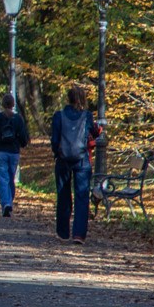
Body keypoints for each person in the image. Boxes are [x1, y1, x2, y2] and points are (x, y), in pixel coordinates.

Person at [50, 85, 95, 243]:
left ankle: (63, 232)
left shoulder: (59, 116)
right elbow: (92, 133)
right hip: (82, 159)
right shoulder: (87, 116)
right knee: (82, 195)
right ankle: (79, 234)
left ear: (68, 98)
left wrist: (57, 153)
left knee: (63, 194)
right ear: (83, 99)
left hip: (63, 160)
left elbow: (55, 140)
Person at [0, 95, 29, 216]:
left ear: (3, 104)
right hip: (14, 152)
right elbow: (24, 138)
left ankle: (6, 203)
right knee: (11, 178)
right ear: (13, 104)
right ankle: (9, 201)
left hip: (1, 152)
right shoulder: (18, 119)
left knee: (3, 179)